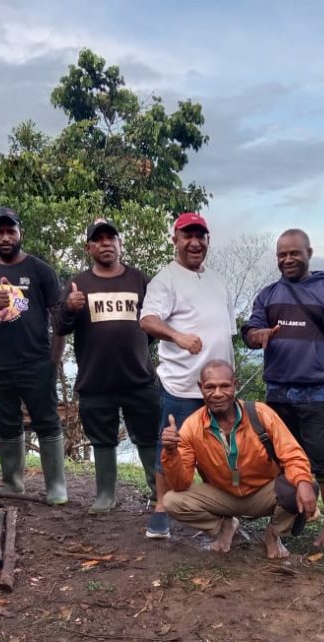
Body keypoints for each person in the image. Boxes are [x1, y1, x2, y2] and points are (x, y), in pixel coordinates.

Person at [241, 229, 324, 548]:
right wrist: (256, 336)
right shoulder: (268, 294)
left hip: (318, 393)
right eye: (281, 255)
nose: (287, 259)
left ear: (309, 253)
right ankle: (293, 518)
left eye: (294, 253)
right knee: (283, 461)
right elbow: (250, 329)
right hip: (278, 394)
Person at [161, 359, 318, 559]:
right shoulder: (192, 427)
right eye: (210, 387)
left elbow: (292, 454)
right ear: (201, 388)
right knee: (172, 500)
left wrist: (303, 482)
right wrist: (171, 452)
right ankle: (225, 526)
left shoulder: (260, 413)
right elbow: (180, 483)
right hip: (223, 494)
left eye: (224, 386)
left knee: (303, 484)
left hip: (264, 492)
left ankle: (273, 535)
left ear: (235, 384)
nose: (217, 393)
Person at [139, 212, 235, 539]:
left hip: (219, 389)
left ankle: (215, 509)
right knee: (170, 445)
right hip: (181, 384)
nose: (194, 242)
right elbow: (147, 320)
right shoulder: (165, 279)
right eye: (187, 235)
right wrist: (178, 337)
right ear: (175, 240)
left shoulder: (218, 280)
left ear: (208, 240)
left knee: (217, 449)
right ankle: (162, 507)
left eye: (200, 235)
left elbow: (226, 332)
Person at [55, 217, 160, 512]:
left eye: (111, 238)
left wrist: (134, 350)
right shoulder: (79, 283)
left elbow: (153, 325)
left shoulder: (140, 280)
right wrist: (69, 308)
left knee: (149, 436)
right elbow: (60, 328)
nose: (106, 244)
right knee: (102, 440)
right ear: (89, 247)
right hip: (96, 381)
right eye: (98, 240)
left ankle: (158, 492)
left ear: (120, 243)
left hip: (138, 378)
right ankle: (105, 494)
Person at [0, 206, 67, 504]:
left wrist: (54, 359)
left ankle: (56, 487)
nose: (6, 236)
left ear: (20, 232)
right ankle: (13, 483)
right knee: (6, 425)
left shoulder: (40, 270)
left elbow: (59, 318)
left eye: (11, 230)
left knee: (47, 422)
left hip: (36, 362)